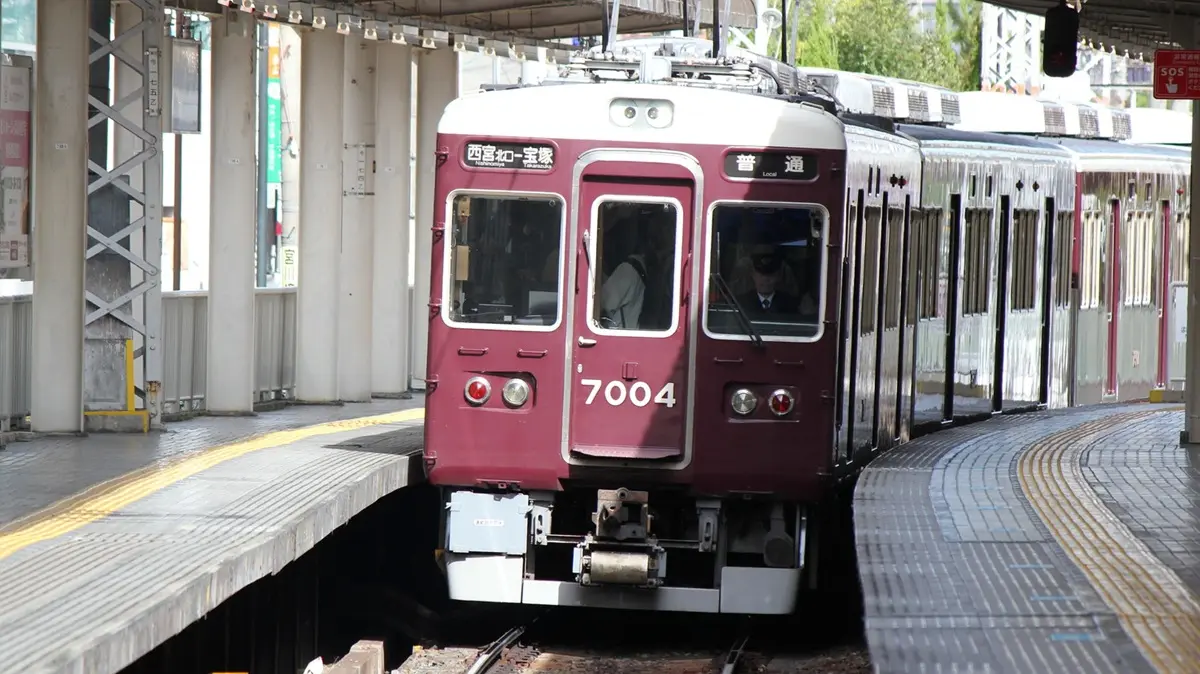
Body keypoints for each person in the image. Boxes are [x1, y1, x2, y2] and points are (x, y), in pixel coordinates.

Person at [737, 248, 805, 316]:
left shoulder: (790, 304)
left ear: (778, 276)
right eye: (761, 275)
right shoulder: (740, 303)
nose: (765, 279)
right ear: (753, 275)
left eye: (770, 275)